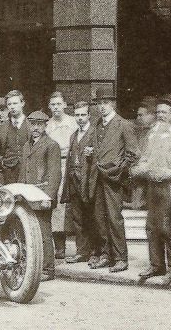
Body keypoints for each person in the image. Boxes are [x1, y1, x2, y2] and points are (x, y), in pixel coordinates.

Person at [130, 95, 171, 284]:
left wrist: (170, 172)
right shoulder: (152, 133)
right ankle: (157, 265)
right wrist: (141, 167)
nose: (160, 115)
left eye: (165, 112)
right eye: (158, 112)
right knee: (151, 227)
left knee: (166, 227)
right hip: (153, 187)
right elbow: (144, 158)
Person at [87, 89, 139, 273]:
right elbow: (98, 148)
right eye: (99, 103)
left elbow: (133, 154)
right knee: (100, 217)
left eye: (105, 103)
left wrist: (118, 169)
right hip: (97, 177)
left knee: (114, 218)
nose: (102, 107)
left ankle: (121, 258)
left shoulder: (123, 124)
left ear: (113, 104)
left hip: (113, 179)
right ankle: (106, 255)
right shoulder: (98, 125)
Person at [20, 110, 62, 280]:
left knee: (44, 233)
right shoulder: (26, 146)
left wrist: (48, 197)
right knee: (29, 233)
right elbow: (23, 171)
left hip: (41, 197)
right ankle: (33, 267)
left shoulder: (51, 145)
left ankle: (48, 269)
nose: (35, 128)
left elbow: (54, 174)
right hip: (26, 197)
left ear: (45, 126)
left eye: (39, 124)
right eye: (33, 124)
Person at [62, 99, 101, 266]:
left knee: (92, 217)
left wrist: (93, 153)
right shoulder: (73, 135)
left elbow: (100, 154)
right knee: (77, 218)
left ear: (89, 115)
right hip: (74, 181)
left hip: (88, 181)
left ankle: (95, 251)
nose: (79, 118)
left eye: (83, 115)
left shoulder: (95, 133)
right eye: (77, 115)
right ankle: (82, 251)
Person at [44, 91, 77, 259]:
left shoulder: (73, 122)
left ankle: (82, 248)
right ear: (49, 107)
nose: (56, 107)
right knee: (56, 206)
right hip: (54, 165)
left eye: (58, 104)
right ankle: (59, 247)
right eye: (53, 105)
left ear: (64, 105)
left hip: (72, 165)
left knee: (74, 204)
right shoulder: (47, 125)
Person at [0, 90, 31, 181]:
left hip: (28, 171)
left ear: (22, 103)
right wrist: (2, 162)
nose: (12, 107)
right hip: (9, 172)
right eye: (9, 104)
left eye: (15, 103)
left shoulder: (31, 125)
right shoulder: (2, 127)